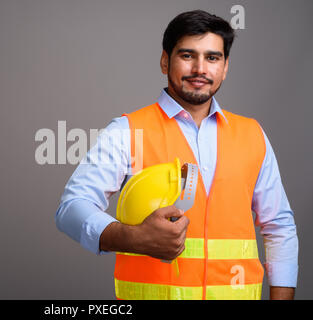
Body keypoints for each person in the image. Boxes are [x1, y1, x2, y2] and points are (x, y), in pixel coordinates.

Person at [55, 10, 298, 300]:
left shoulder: (252, 134)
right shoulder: (128, 130)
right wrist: (134, 238)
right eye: (187, 55)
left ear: (225, 66)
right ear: (164, 60)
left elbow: (279, 226)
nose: (200, 68)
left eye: (212, 57)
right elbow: (71, 208)